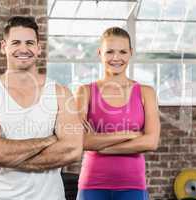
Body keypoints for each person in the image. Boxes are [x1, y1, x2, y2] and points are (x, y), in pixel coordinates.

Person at [0, 16, 83, 200]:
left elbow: (72, 150)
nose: (23, 49)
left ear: (38, 48)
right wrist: (48, 140)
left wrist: (8, 156)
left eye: (30, 42)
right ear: (3, 47)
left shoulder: (61, 94)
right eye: (16, 42)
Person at [75, 27, 161, 200]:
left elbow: (151, 142)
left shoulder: (146, 92)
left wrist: (101, 147)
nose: (116, 58)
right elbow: (80, 140)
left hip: (133, 185)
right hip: (92, 184)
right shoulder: (85, 92)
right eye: (110, 52)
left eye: (122, 51)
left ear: (131, 53)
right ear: (100, 53)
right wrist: (129, 135)